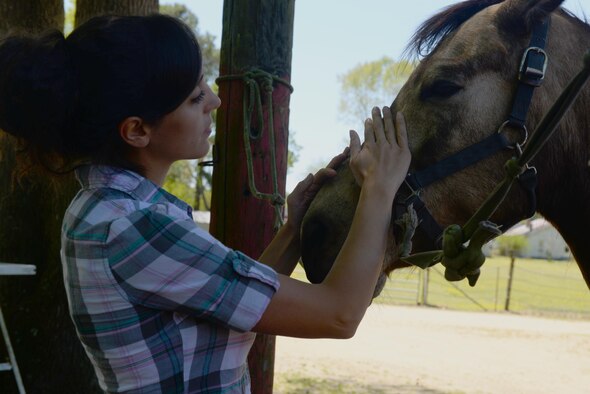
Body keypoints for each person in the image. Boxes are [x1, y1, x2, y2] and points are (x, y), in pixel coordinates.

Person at [0, 14, 411, 393]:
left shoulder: (104, 209)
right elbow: (338, 315)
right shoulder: (136, 227)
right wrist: (380, 188)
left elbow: (231, 305)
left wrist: (292, 230)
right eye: (195, 97)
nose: (214, 102)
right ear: (138, 130)